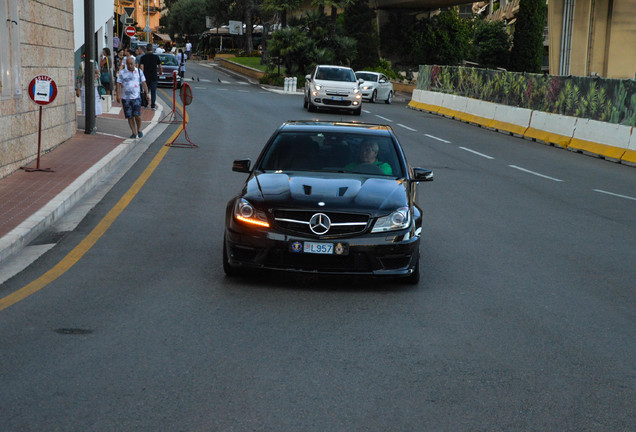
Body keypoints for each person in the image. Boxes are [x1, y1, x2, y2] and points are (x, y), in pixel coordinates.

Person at [116, 57, 150, 139]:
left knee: (137, 115)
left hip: (136, 97)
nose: (130, 65)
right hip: (126, 98)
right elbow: (118, 84)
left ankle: (139, 129)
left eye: (131, 64)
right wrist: (118, 95)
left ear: (134, 64)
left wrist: (147, 93)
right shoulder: (122, 72)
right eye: (128, 64)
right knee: (129, 116)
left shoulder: (138, 71)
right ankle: (134, 132)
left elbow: (144, 83)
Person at [139, 43, 163, 110]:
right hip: (154, 76)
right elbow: (160, 67)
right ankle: (152, 106)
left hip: (146, 77)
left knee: (146, 91)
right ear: (152, 49)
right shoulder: (156, 57)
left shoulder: (143, 57)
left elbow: (141, 68)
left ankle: (145, 104)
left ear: (146, 49)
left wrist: (141, 76)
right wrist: (160, 72)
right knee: (153, 92)